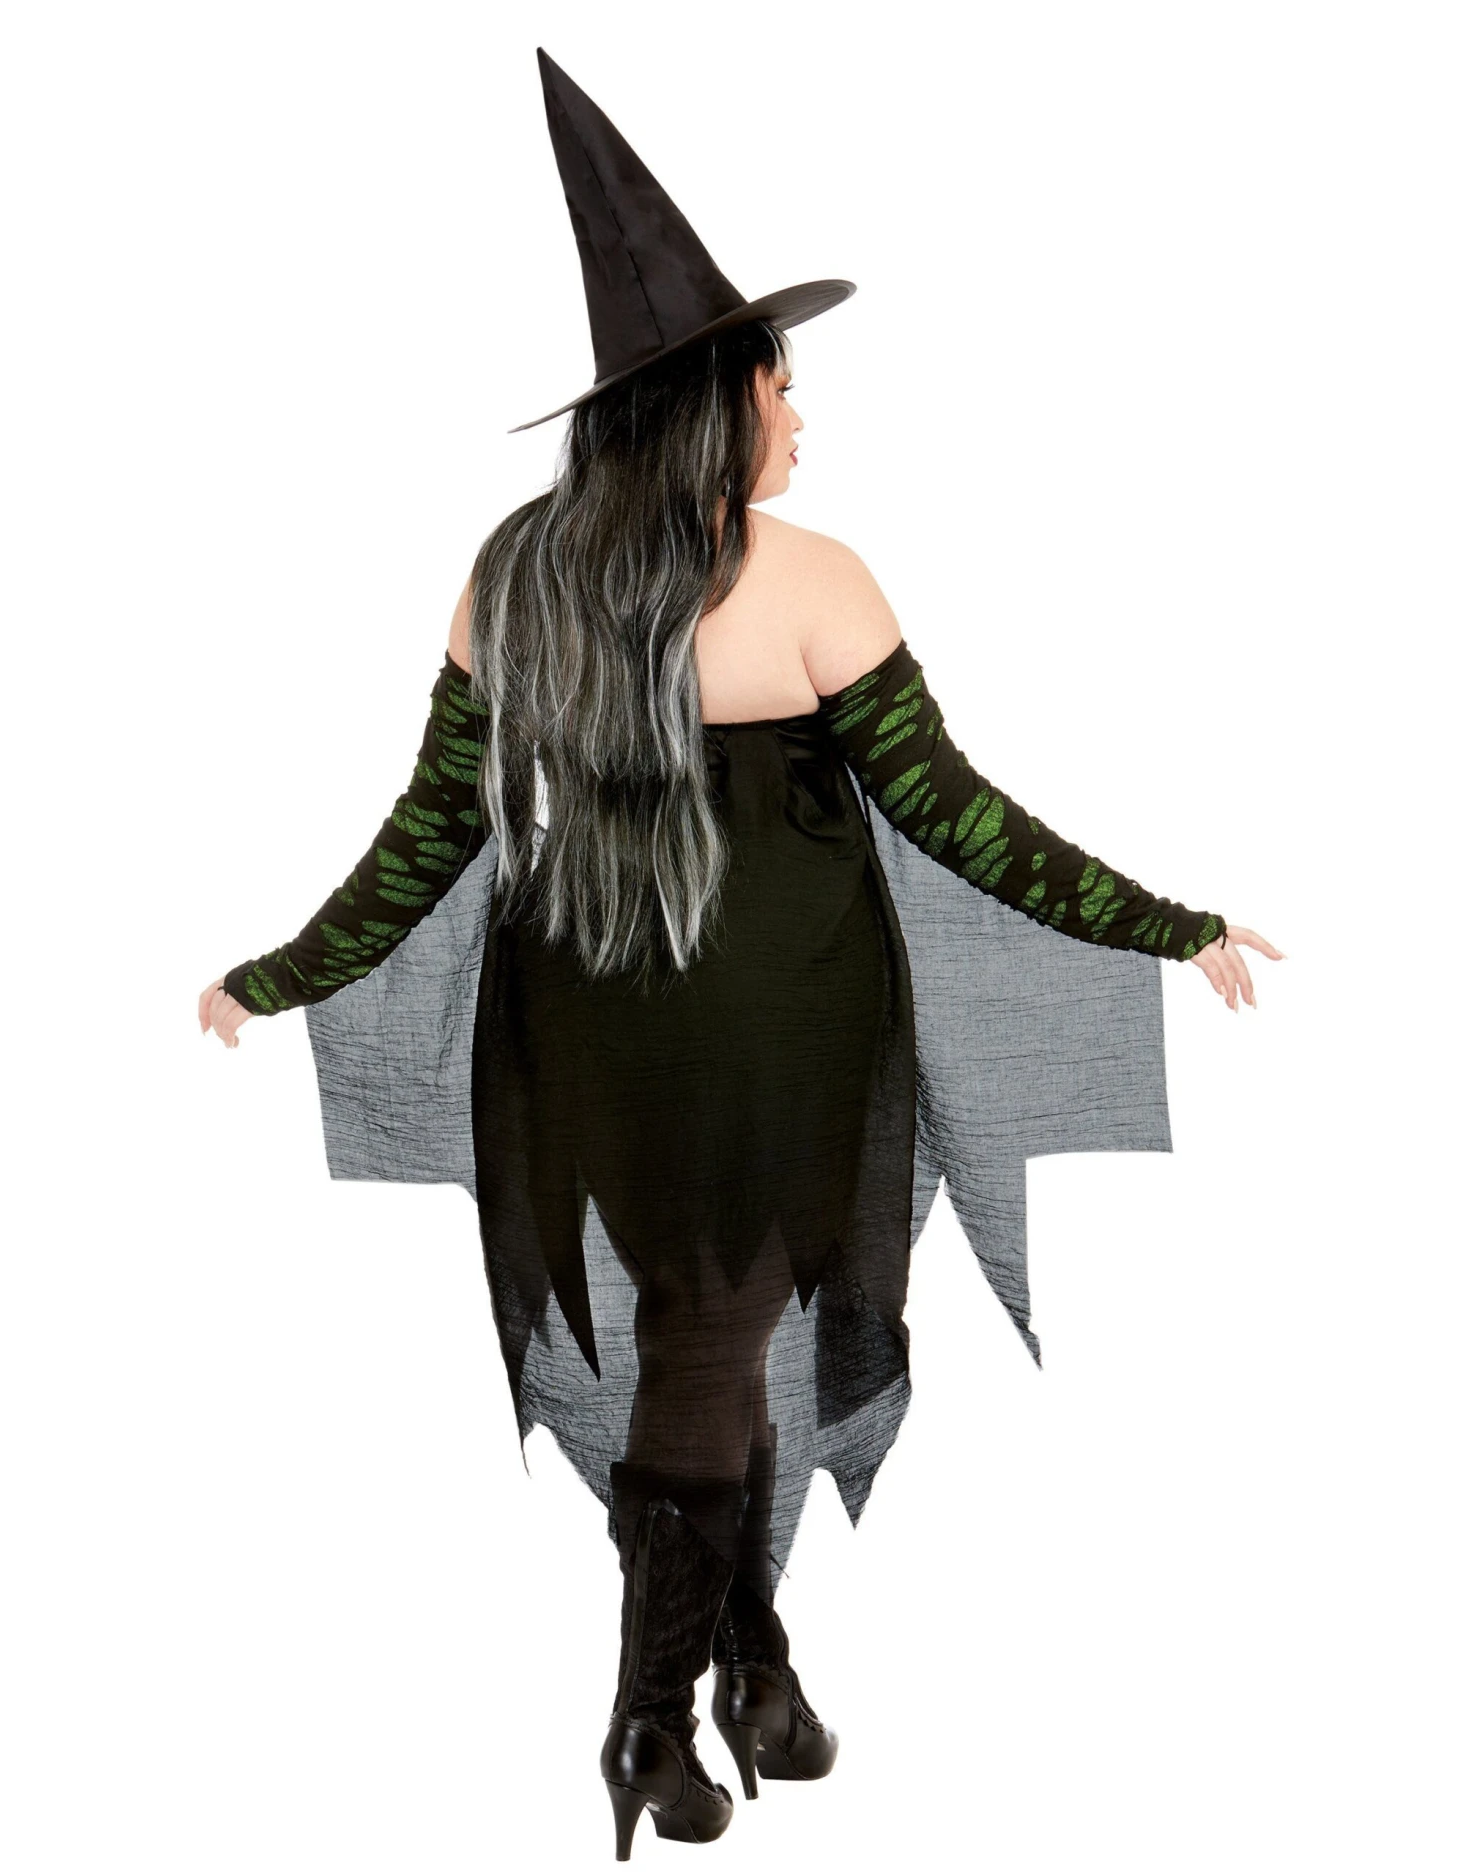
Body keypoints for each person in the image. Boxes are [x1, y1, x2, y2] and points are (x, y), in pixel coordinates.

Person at [199, 50, 1281, 1861]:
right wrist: (1163, 921)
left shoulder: (512, 579)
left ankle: (758, 1668)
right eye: (783, 382)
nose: (801, 414)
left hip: (590, 1048)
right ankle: (645, 1721)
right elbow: (961, 819)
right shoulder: (812, 577)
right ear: (717, 402)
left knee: (719, 1334)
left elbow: (429, 836)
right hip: (781, 1047)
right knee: (713, 1347)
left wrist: (286, 968)